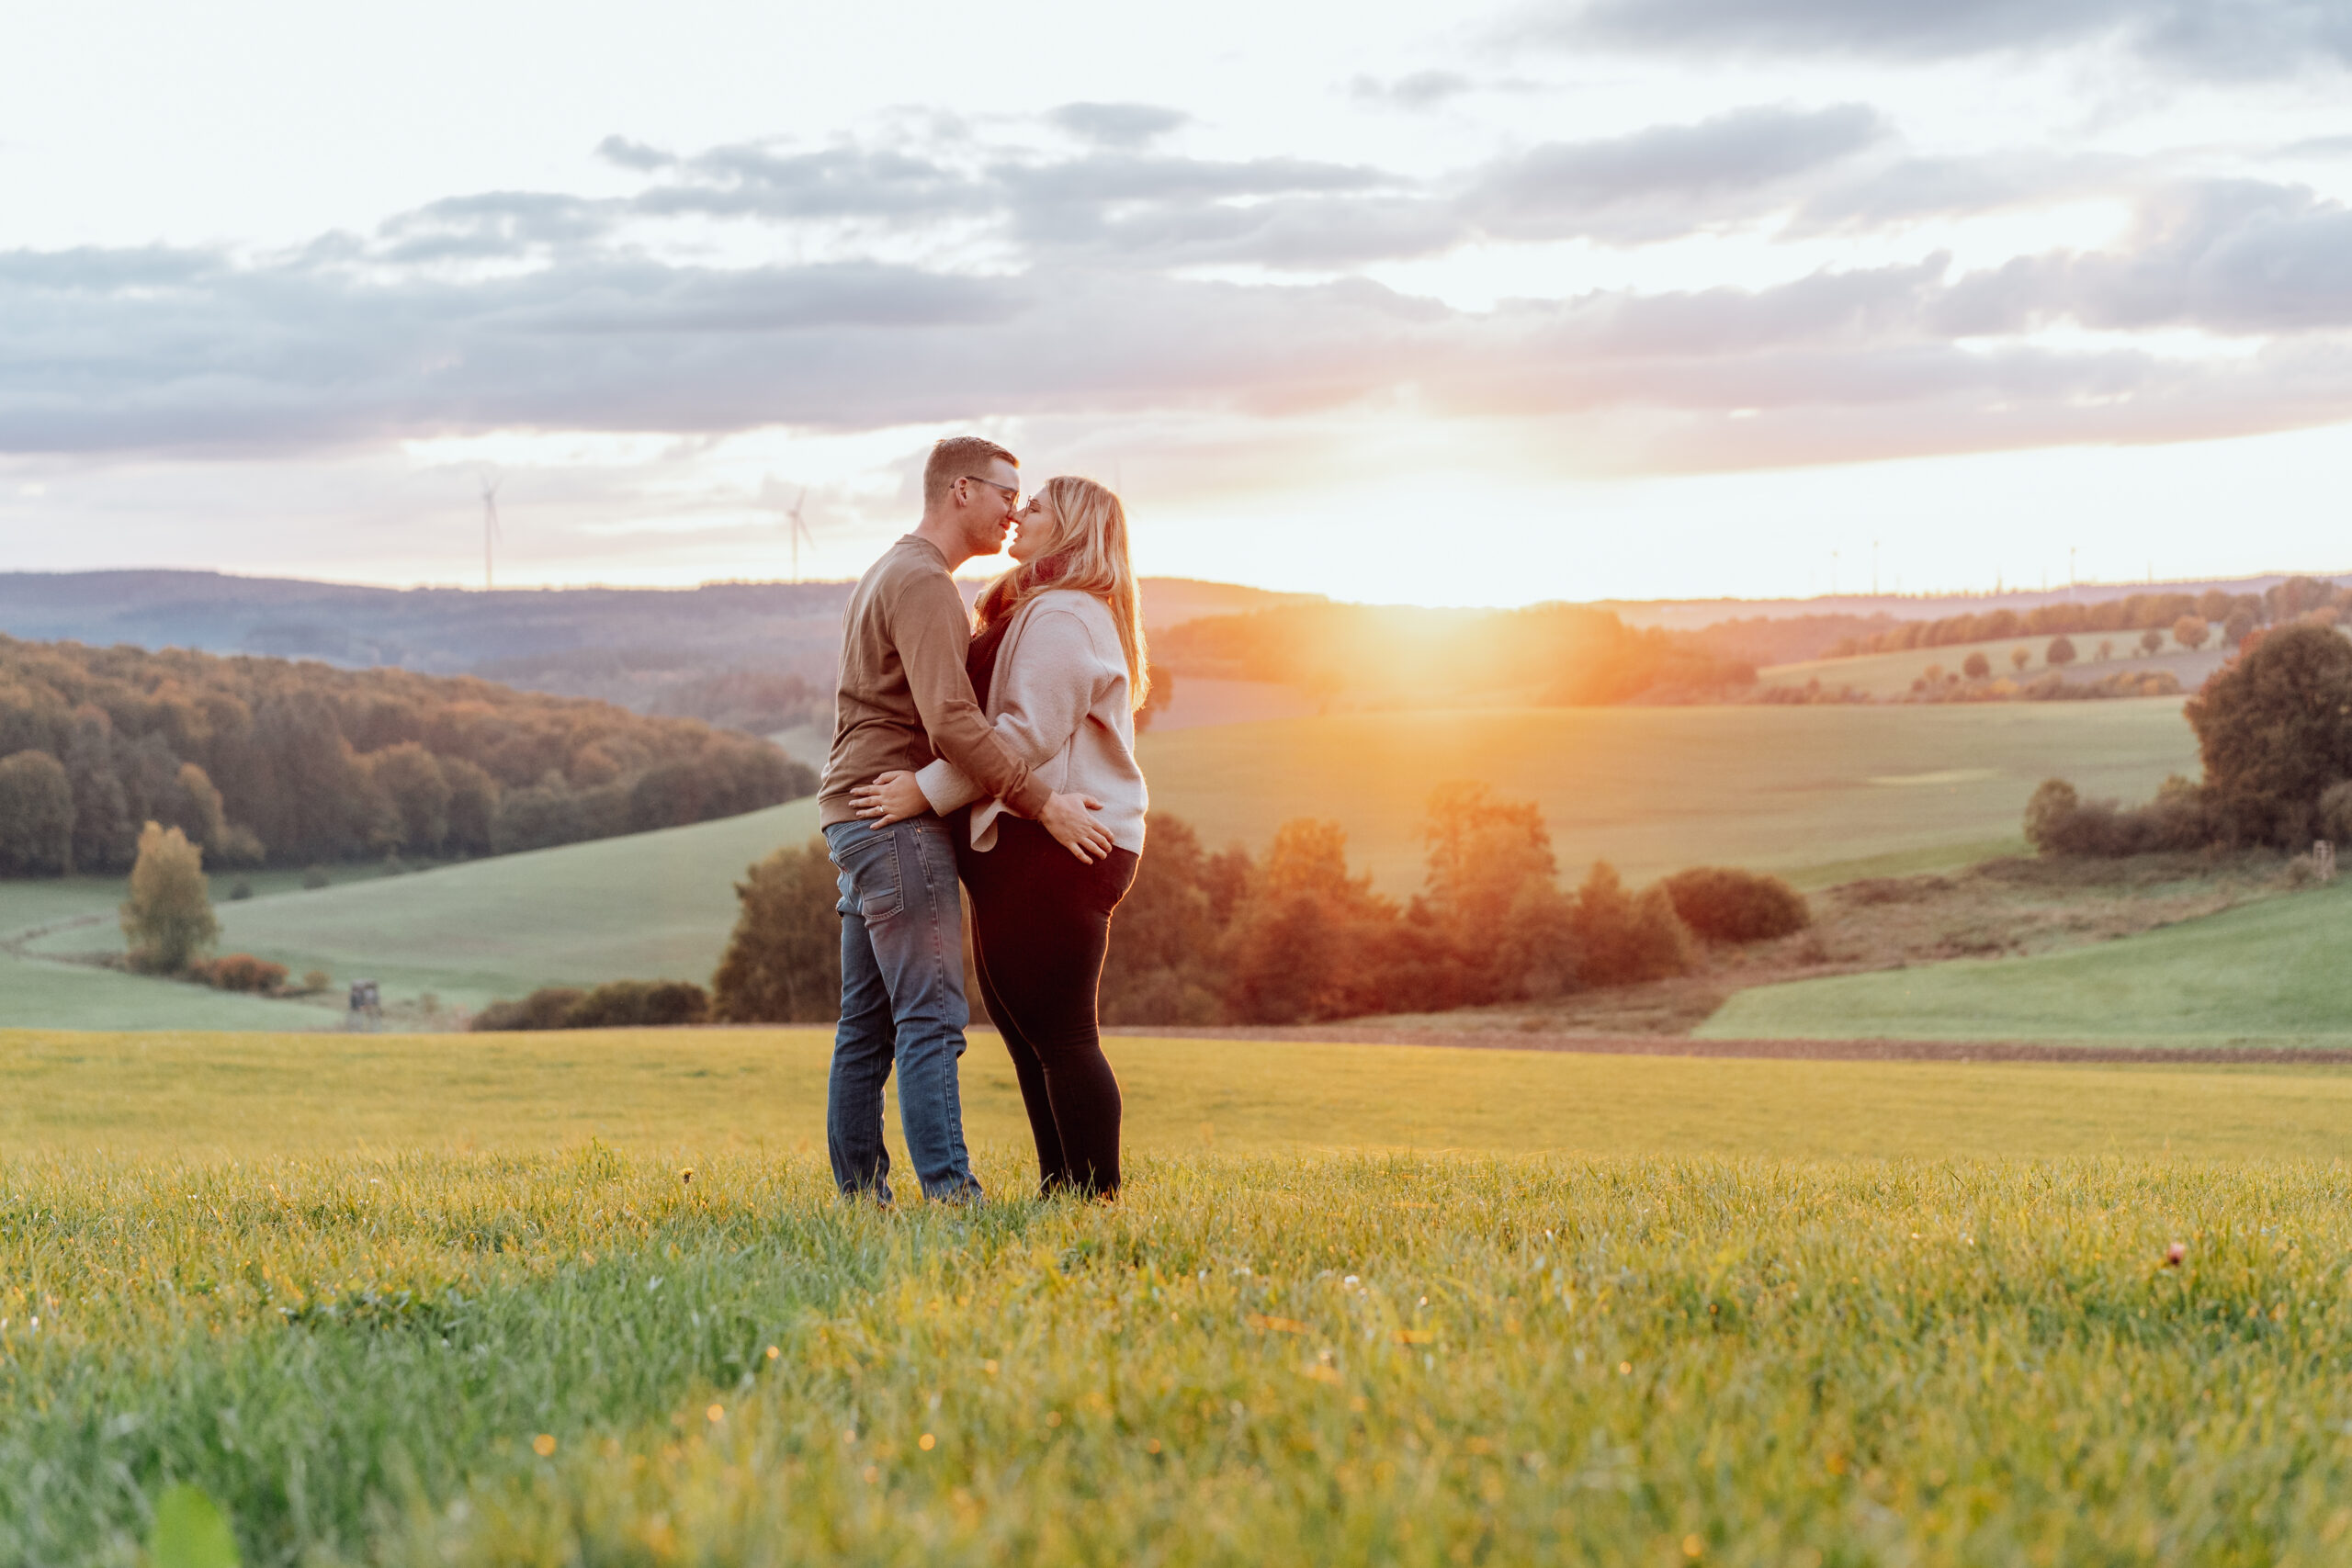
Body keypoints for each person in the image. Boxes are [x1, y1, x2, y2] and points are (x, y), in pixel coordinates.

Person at [818, 437, 1115, 1205]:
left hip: (854, 809)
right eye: (1007, 494)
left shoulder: (890, 567)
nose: (1013, 511)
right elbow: (953, 721)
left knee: (865, 1026)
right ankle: (953, 1197)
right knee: (932, 1016)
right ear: (961, 490)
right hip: (895, 817)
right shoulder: (923, 581)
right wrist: (1041, 800)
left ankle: (861, 1202)